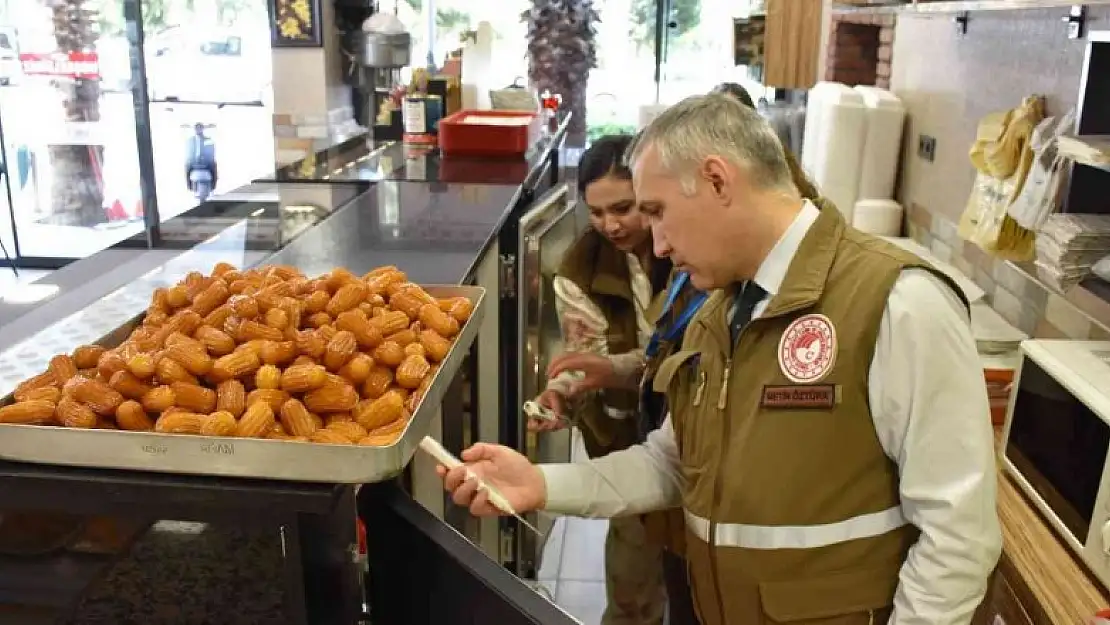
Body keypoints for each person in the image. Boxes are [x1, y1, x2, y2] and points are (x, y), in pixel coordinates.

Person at [441, 93, 1001, 625]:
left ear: (716, 180)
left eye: (657, 211)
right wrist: (539, 484)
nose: (655, 244)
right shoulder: (719, 311)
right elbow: (673, 463)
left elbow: (959, 536)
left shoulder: (898, 302)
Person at [545, 81, 825, 625]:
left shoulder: (864, 298)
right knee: (642, 585)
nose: (652, 240)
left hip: (730, 504)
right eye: (597, 213)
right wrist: (585, 387)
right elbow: (667, 428)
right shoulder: (681, 275)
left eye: (645, 209)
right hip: (662, 460)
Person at [530, 134, 672, 625]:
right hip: (626, 433)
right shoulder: (579, 268)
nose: (610, 225)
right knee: (633, 582)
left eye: (625, 208)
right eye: (596, 212)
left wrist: (617, 368)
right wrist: (560, 394)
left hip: (703, 425)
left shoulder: (688, 241)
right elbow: (585, 356)